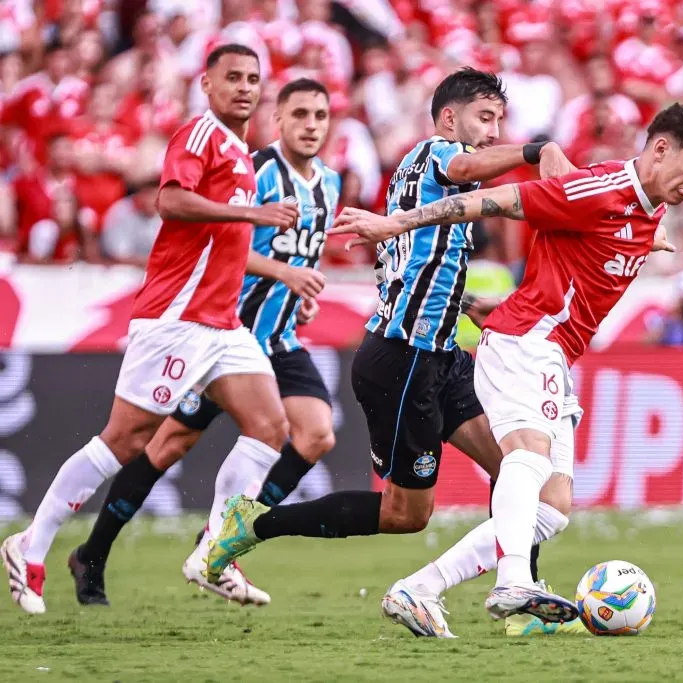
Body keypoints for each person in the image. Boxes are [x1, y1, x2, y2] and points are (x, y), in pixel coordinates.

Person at [203, 68, 582, 638]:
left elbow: (439, 244)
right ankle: (254, 523)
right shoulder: (437, 153)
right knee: (407, 515)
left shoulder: (438, 182)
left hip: (441, 352)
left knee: (516, 472)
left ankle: (523, 601)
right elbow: (468, 167)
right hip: (401, 359)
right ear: (450, 119)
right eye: (486, 118)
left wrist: (469, 308)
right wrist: (535, 150)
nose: (493, 131)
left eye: (501, 121)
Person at [329, 103, 683, 636]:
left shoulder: (646, 206)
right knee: (527, 457)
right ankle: (514, 579)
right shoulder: (599, 189)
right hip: (527, 341)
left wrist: (641, 239)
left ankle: (419, 588)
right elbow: (496, 201)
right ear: (660, 149)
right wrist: (395, 222)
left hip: (553, 351)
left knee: (553, 508)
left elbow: (590, 237)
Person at [0, 43, 301, 615]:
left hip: (221, 324)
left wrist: (282, 271)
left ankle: (213, 555)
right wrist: (250, 214)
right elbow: (170, 201)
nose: (244, 87)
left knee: (269, 426)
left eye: (253, 78)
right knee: (125, 440)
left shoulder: (240, 150)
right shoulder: (200, 134)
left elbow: (226, 249)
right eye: (231, 77)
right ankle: (30, 546)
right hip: (175, 319)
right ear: (207, 86)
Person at [65, 77, 339, 608]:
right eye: (300, 114)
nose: (311, 125)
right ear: (276, 120)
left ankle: (220, 539)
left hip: (277, 340)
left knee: (316, 434)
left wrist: (299, 291)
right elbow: (220, 246)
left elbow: (298, 256)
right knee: (166, 445)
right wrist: (284, 273)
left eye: (320, 115)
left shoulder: (328, 183)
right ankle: (92, 555)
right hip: (220, 338)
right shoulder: (256, 171)